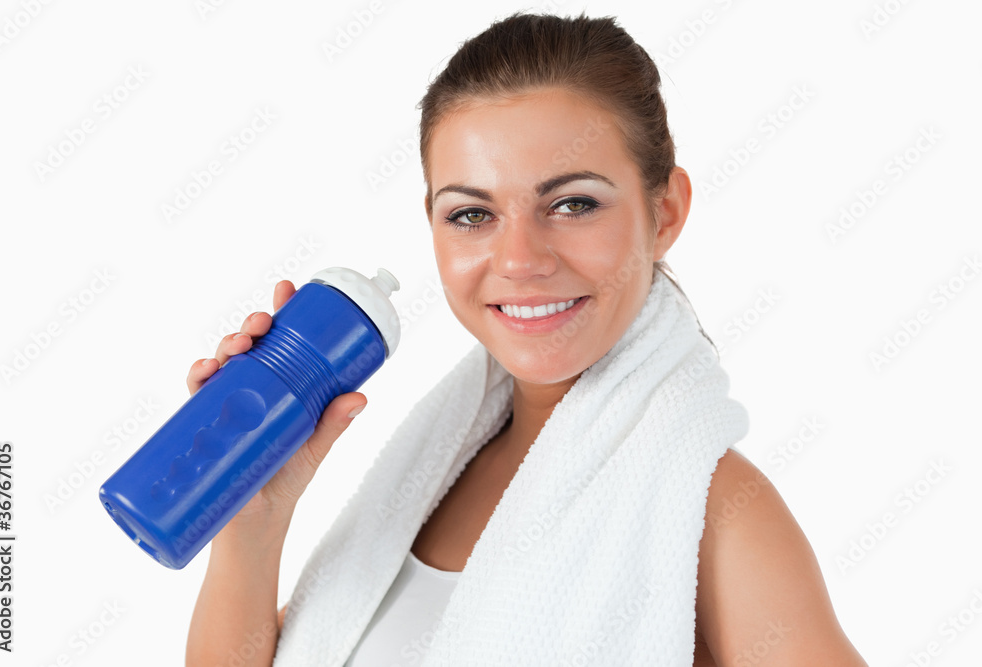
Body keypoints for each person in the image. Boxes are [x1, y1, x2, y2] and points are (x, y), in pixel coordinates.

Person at [186, 12, 868, 666]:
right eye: (472, 214)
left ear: (664, 213)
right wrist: (253, 520)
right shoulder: (428, 479)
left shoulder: (713, 512)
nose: (519, 259)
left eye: (572, 204)